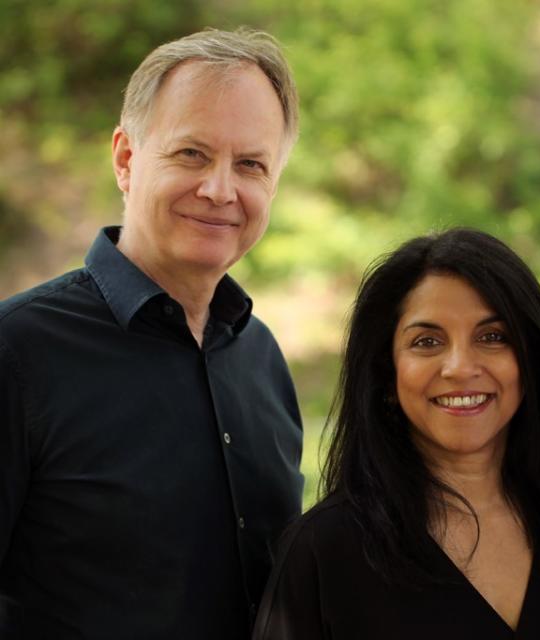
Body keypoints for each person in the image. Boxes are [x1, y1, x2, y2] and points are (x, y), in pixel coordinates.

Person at [0, 28, 304, 638]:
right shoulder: (17, 352)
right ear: (125, 159)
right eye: (191, 153)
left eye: (250, 164)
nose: (220, 190)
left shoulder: (262, 357)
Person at [253, 228, 540, 639]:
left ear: (531, 361)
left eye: (492, 337)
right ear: (387, 373)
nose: (459, 367)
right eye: (427, 341)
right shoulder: (323, 552)